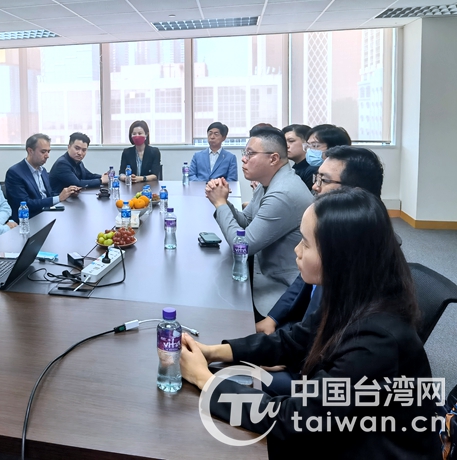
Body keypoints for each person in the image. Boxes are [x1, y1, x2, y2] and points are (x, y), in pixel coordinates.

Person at [180, 188, 438, 459]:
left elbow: (294, 420)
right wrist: (212, 351)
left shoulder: (375, 343)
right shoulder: (354, 295)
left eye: (305, 243)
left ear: (340, 256)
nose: (297, 250)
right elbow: (294, 340)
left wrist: (204, 379)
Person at [257, 146, 386, 335]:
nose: (315, 187)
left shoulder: (359, 255)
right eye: (316, 178)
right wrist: (272, 318)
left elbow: (317, 335)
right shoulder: (334, 229)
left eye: (324, 180)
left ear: (355, 193)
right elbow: (303, 282)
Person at [206, 126, 313, 316]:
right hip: (261, 272)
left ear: (273, 158)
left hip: (281, 289)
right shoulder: (269, 183)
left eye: (250, 154)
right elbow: (246, 221)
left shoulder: (283, 193)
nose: (243, 159)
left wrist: (220, 204)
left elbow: (242, 246)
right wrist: (223, 200)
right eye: (244, 153)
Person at [4, 133, 79, 222]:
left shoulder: (43, 171)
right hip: (29, 220)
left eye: (48, 151)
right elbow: (25, 204)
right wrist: (58, 198)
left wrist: (67, 194)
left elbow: (49, 195)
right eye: (43, 152)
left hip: (46, 215)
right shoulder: (15, 173)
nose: (47, 156)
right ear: (30, 151)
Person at [282, 123, 316, 191]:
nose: (286, 146)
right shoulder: (295, 168)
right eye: (284, 142)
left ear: (307, 143)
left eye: (291, 141)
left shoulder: (313, 169)